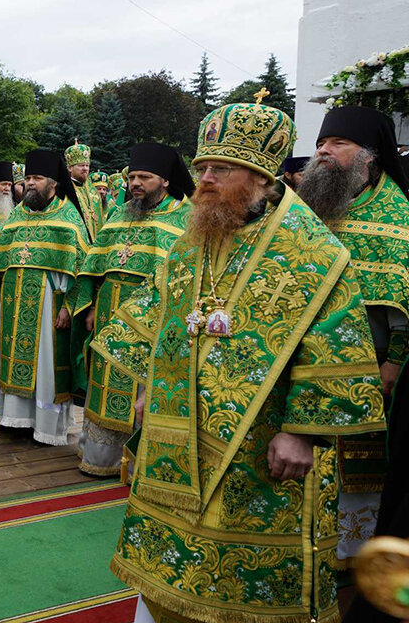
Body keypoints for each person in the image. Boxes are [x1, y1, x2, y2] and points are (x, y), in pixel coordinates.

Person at [93, 99, 385, 623]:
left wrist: (305, 432)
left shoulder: (311, 250)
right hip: (176, 431)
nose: (203, 180)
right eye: (202, 167)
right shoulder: (195, 239)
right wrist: (148, 387)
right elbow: (163, 318)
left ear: (258, 178)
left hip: (261, 443)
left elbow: (336, 343)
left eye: (219, 170)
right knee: (167, 562)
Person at [297, 106, 409, 576]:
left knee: (357, 466)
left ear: (369, 157)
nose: (323, 152)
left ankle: (351, 555)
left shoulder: (396, 216)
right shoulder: (311, 206)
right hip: (306, 358)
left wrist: (394, 364)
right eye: (322, 144)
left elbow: (404, 302)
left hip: (371, 361)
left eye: (338, 144)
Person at [65, 142, 192, 477]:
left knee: (140, 385)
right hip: (108, 309)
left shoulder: (185, 217)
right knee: (105, 381)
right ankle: (101, 457)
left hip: (153, 316)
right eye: (133, 176)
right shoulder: (121, 212)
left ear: (165, 180)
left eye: (145, 177)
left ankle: (139, 462)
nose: (136, 183)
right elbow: (96, 262)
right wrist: (90, 305)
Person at [0, 149, 89, 446]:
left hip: (49, 304)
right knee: (8, 359)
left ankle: (45, 426)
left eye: (37, 178)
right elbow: (1, 259)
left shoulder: (69, 217)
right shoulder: (18, 214)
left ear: (54, 183)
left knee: (45, 365)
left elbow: (83, 269)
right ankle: (13, 418)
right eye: (28, 178)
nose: (30, 183)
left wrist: (70, 307)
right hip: (12, 302)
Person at [65, 140, 101, 238]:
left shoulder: (92, 191)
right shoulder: (64, 190)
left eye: (87, 165)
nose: (85, 169)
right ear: (69, 168)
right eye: (81, 165)